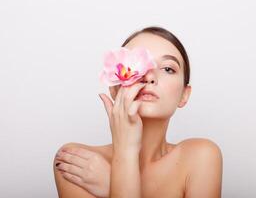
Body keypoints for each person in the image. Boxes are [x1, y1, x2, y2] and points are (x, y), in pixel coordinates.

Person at [53, 26, 223, 198]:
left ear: (184, 95)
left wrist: (112, 186)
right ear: (114, 87)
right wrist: (125, 151)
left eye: (168, 69)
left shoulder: (200, 157)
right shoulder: (76, 161)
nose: (149, 77)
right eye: (135, 65)